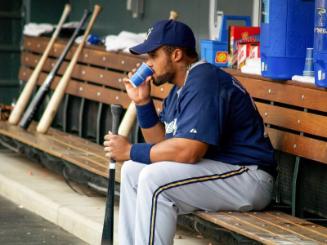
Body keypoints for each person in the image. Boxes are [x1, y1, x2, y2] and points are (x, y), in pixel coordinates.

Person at [103, 19, 276, 245]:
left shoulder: (204, 81)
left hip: (248, 176)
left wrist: (130, 150)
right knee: (133, 171)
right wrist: (143, 102)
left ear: (176, 55)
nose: (148, 64)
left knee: (153, 179)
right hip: (221, 171)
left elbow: (189, 152)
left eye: (153, 56)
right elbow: (162, 146)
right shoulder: (178, 89)